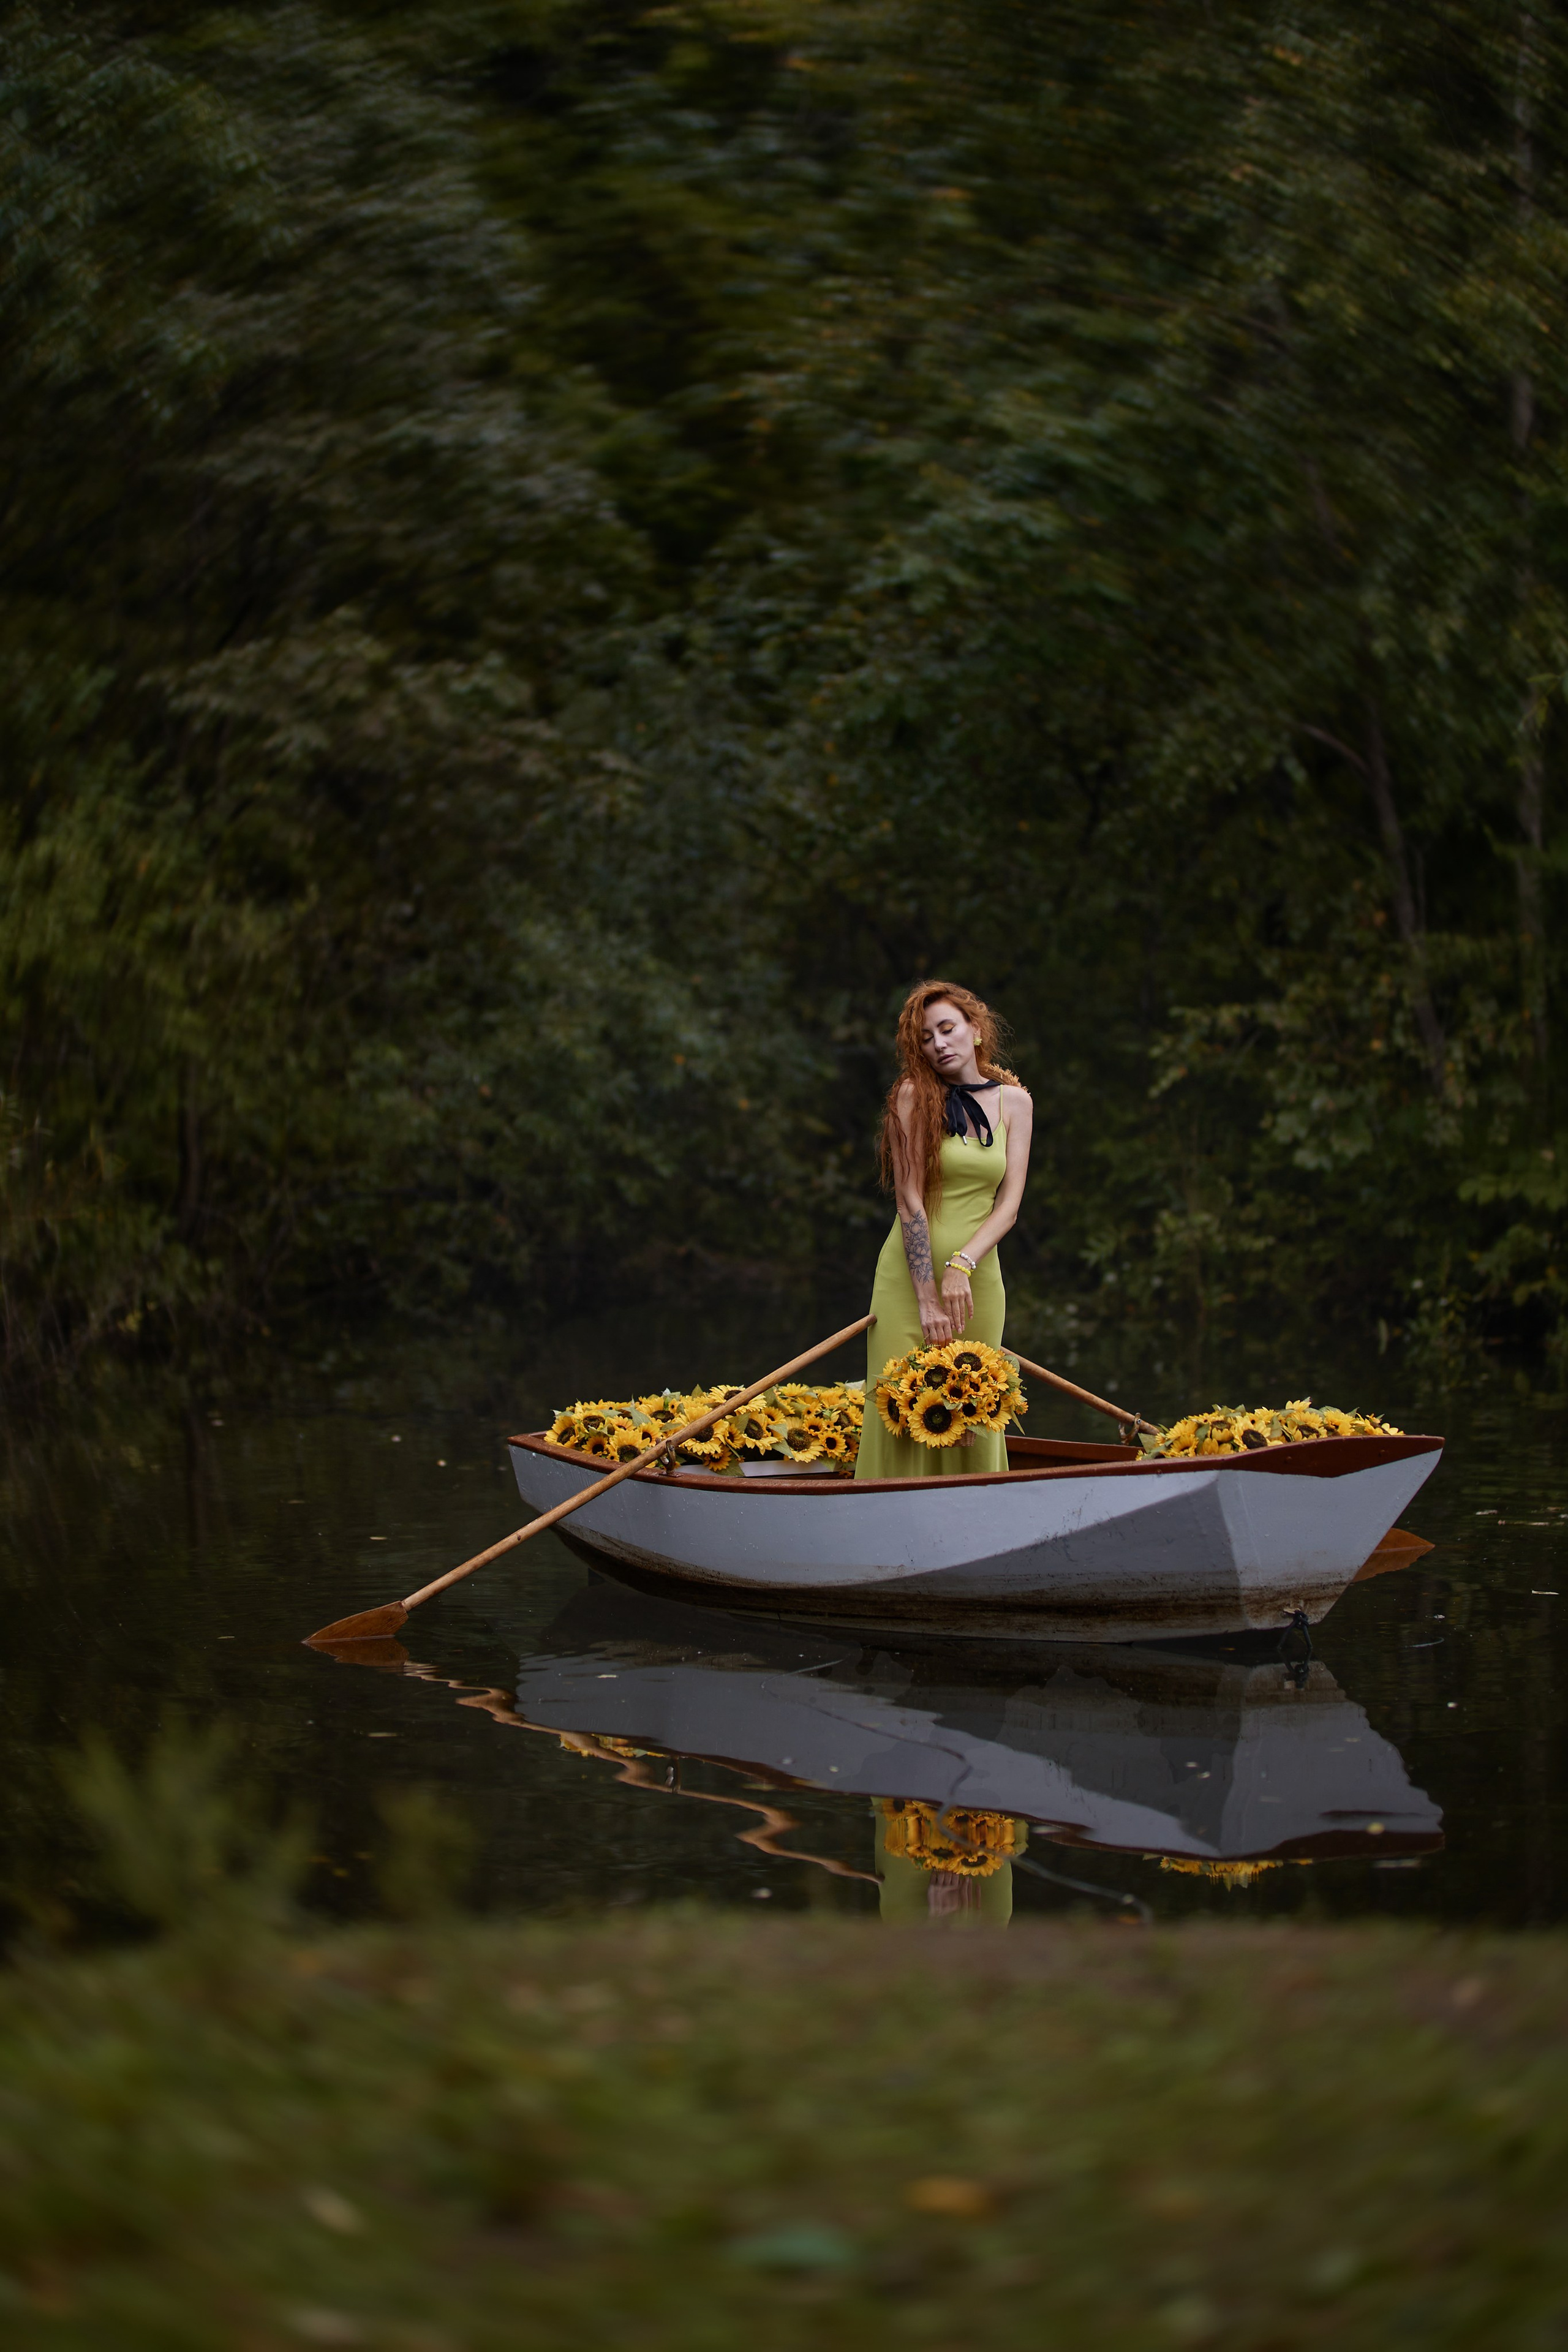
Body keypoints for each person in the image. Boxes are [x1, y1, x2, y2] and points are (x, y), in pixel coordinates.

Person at [854, 981, 1033, 1480]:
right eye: (926, 1037)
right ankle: (886, 1521)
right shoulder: (912, 1097)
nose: (939, 1044)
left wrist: (962, 1264)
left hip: (976, 1279)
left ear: (976, 1030)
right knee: (899, 1410)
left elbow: (1009, 1205)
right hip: (908, 1283)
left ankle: (978, 1523)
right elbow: (910, 1200)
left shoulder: (1016, 1104)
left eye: (948, 1029)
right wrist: (927, 1294)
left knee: (977, 1409)